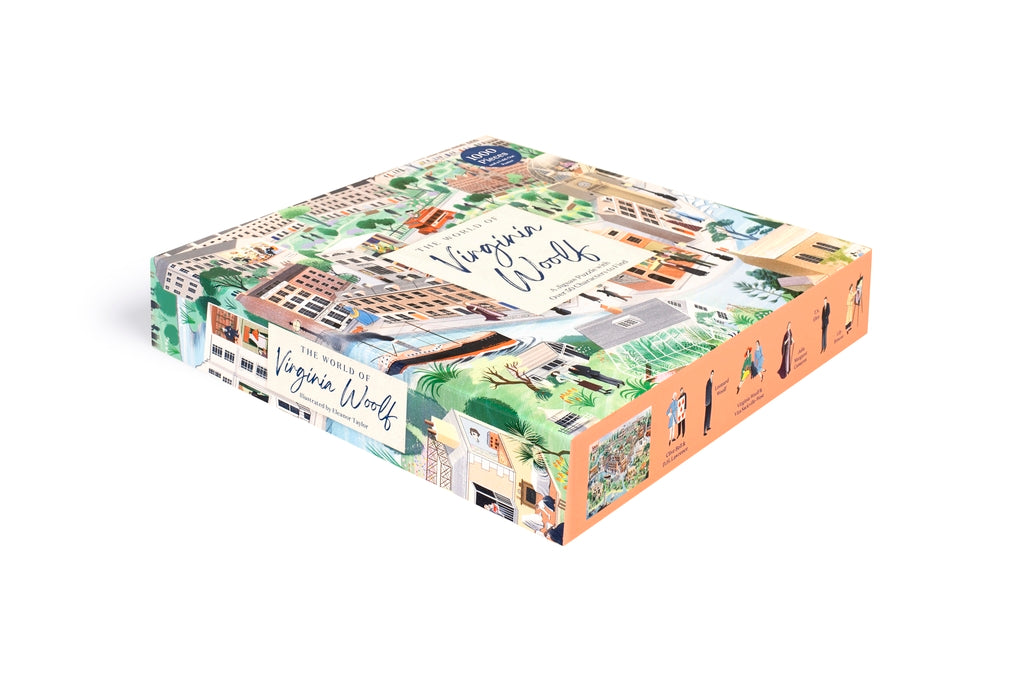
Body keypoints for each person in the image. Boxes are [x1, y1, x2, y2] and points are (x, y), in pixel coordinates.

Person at [704, 370, 714, 435]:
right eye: (711, 374)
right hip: (707, 400)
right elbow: (707, 391)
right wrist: (706, 401)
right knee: (706, 415)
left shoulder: (711, 381)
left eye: (713, 374)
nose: (712, 375)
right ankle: (704, 431)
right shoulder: (708, 382)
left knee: (709, 414)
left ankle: (708, 426)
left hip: (710, 398)